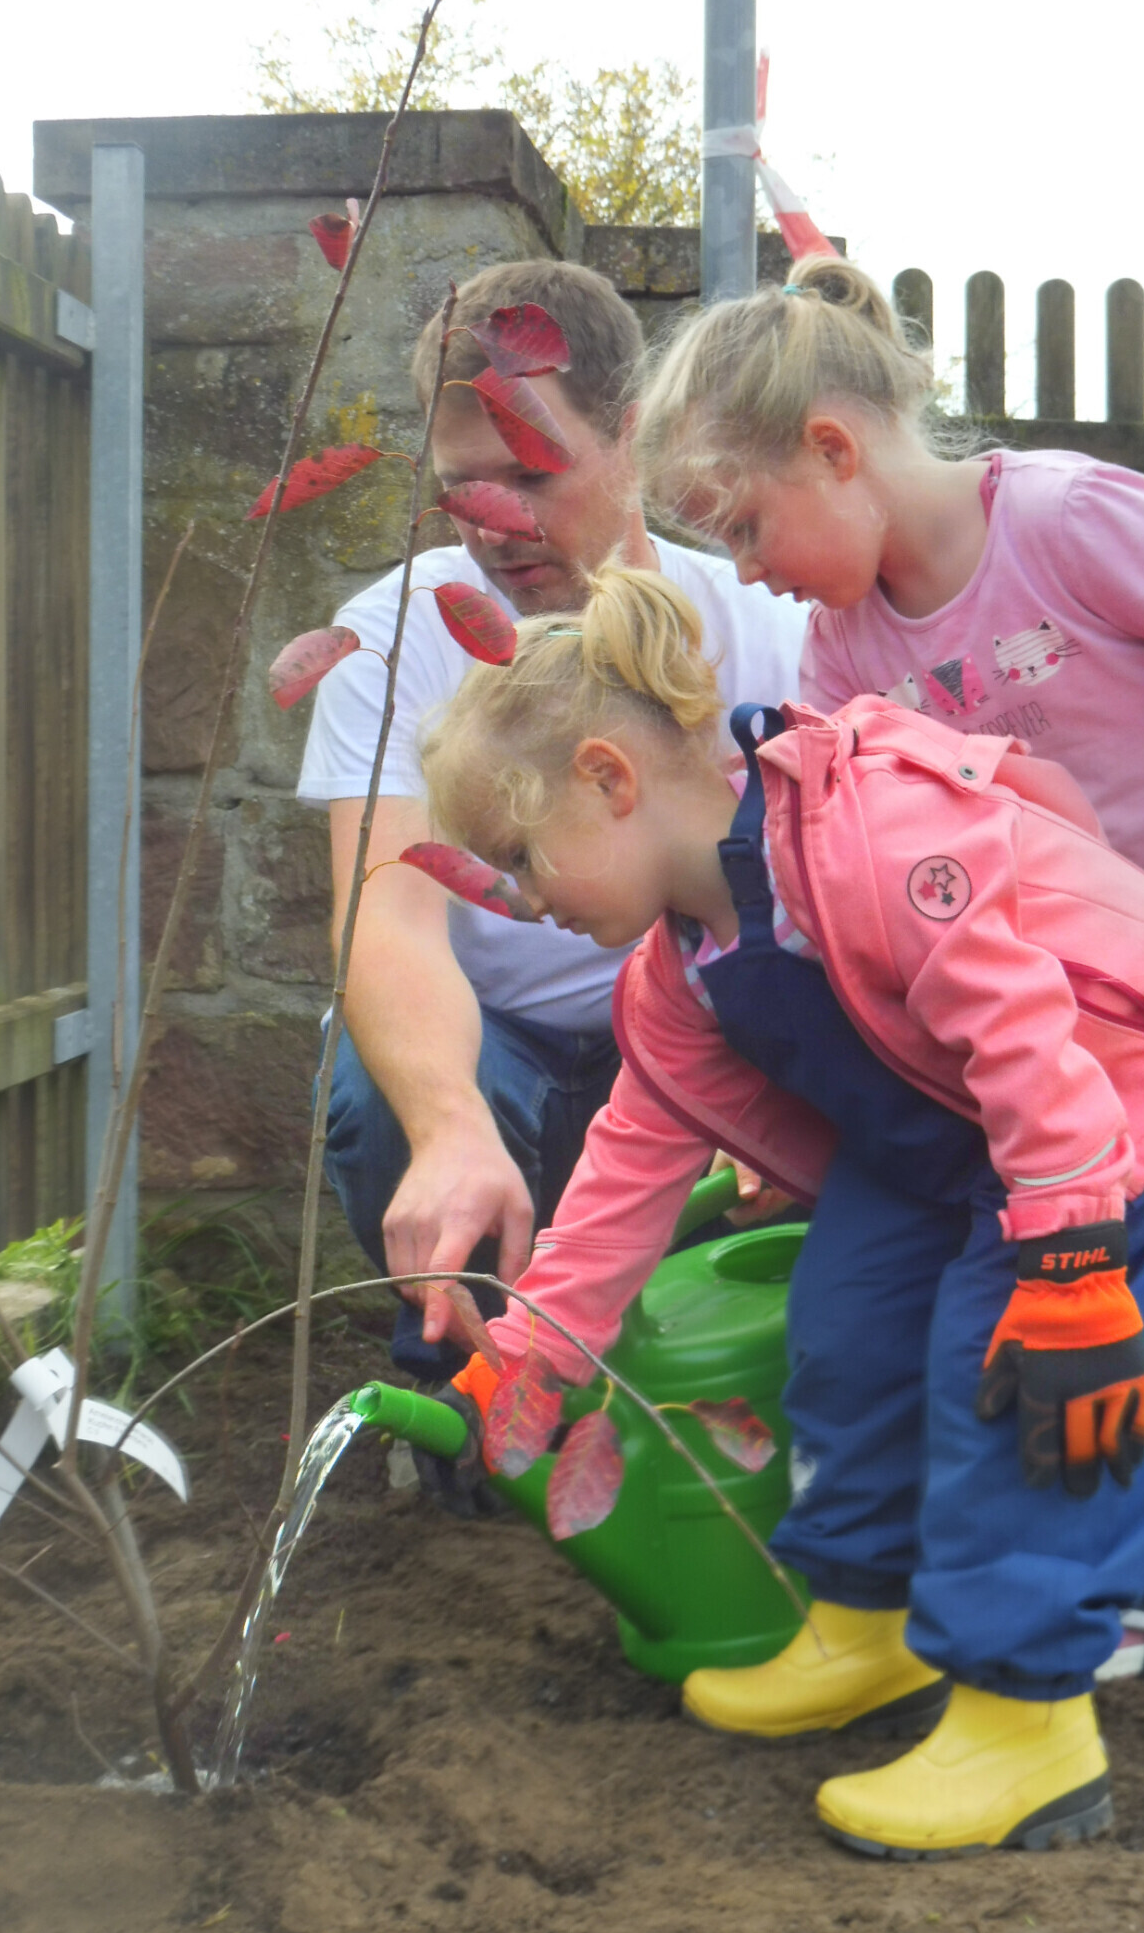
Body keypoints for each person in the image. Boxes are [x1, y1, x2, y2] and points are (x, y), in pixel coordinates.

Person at [414, 562, 1144, 1858]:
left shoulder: (868, 830)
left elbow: (1029, 1038)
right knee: (848, 1324)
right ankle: (867, 1621)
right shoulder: (676, 981)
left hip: (1110, 1088)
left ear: (609, 778)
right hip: (951, 1126)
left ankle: (1028, 1723)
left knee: (1016, 1378)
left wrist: (1076, 1268)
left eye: (522, 858)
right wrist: (533, 1352)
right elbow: (625, 1175)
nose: (524, 901)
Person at [628, 252, 1144, 1680]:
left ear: (835, 451)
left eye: (743, 524)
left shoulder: (1065, 523)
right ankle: (1048, 1550)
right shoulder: (843, 655)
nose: (745, 572)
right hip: (1070, 976)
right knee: (1086, 1239)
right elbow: (844, 876)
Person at [297, 259, 806, 1384]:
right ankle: (458, 1373)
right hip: (502, 1048)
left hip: (705, 1033)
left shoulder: (763, 623)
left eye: (530, 475)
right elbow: (385, 922)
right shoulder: (388, 640)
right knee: (387, 1094)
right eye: (462, 486)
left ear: (630, 433)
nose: (495, 523)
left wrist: (785, 1081)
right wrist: (445, 1128)